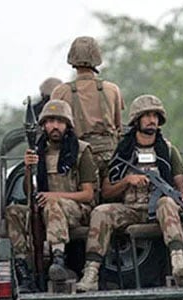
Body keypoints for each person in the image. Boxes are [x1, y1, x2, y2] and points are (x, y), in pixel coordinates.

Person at [76, 94, 183, 292]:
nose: (152, 120)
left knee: (167, 203)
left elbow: (180, 184)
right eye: (146, 115)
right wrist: (127, 181)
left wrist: (181, 196)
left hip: (158, 210)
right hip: (130, 209)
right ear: (136, 120)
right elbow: (107, 190)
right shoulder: (123, 151)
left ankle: (178, 263)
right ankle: (91, 273)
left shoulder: (168, 150)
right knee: (101, 212)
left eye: (155, 115)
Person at [5, 99, 97, 292]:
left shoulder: (81, 151)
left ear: (67, 125)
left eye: (60, 121)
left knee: (52, 203)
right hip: (45, 208)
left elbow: (88, 195)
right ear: (43, 125)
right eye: (50, 121)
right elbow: (30, 193)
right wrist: (30, 168)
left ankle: (58, 258)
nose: (55, 126)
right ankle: (24, 269)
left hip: (77, 210)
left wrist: (54, 196)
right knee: (13, 211)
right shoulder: (38, 152)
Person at [51, 36, 124, 187]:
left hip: (77, 156)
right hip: (109, 157)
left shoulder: (60, 92)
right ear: (97, 57)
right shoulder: (112, 89)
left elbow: (52, 126)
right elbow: (118, 127)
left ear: (72, 59)